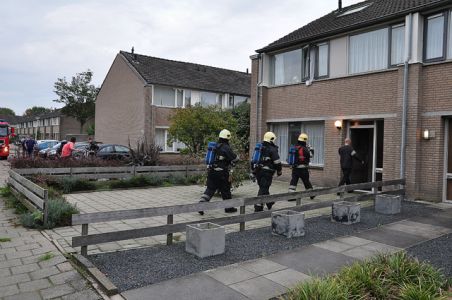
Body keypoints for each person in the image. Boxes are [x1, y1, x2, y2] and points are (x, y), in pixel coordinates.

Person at [198, 129, 239, 215]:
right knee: (226, 190)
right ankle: (229, 208)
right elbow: (235, 158)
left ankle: (201, 204)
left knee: (210, 189)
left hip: (212, 171)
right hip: (222, 173)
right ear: (227, 138)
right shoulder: (226, 147)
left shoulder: (214, 146)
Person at [251, 132, 282, 212]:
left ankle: (269, 202)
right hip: (267, 172)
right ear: (271, 139)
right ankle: (258, 207)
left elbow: (253, 160)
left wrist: (253, 171)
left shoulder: (260, 147)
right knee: (263, 188)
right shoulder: (272, 149)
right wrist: (279, 171)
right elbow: (277, 162)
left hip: (258, 171)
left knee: (264, 187)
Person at [288, 133, 315, 200]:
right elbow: (311, 155)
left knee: (293, 181)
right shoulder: (305, 149)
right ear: (305, 140)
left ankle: (291, 196)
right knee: (306, 181)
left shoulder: (294, 147)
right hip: (303, 169)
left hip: (295, 168)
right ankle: (311, 194)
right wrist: (311, 149)